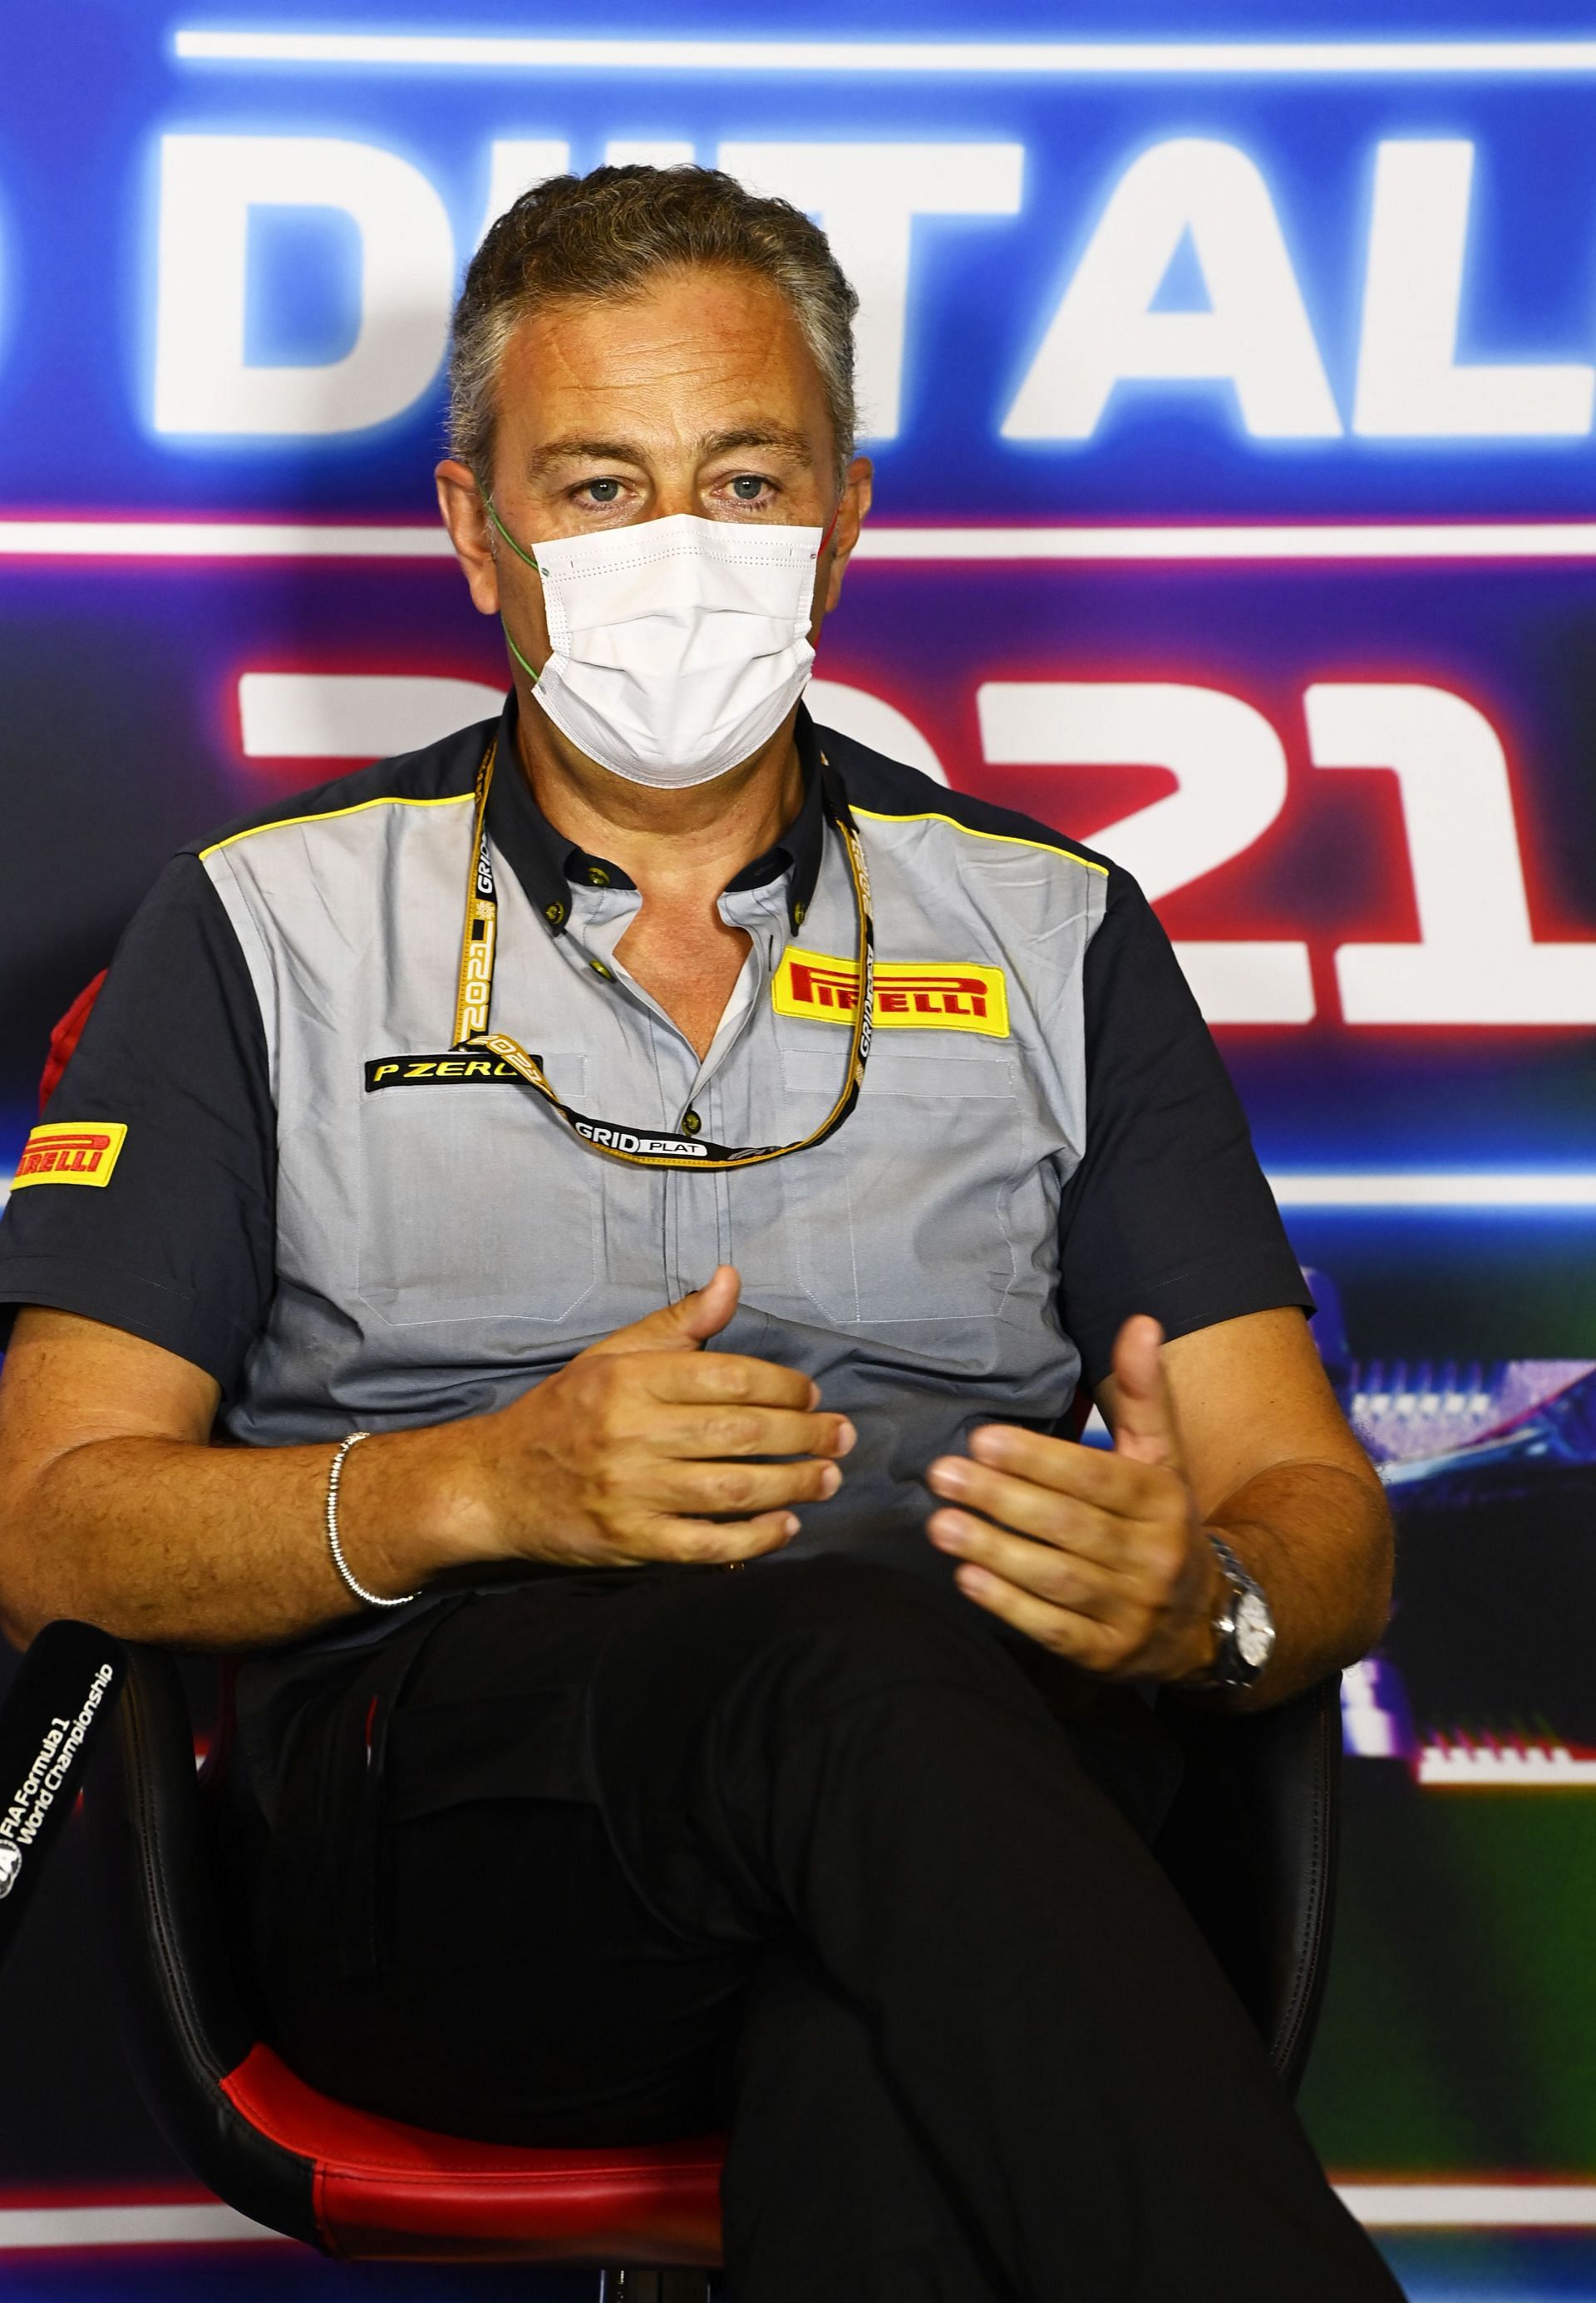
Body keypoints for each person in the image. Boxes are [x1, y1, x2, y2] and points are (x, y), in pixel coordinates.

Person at [0, 166, 1400, 2301]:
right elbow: (50, 1521)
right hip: (467, 1860)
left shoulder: (1052, 927)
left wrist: (1193, 1602)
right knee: (854, 1688)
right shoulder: (261, 924)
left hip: (971, 1833)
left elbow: (1318, 1514)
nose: (680, 553)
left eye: (743, 479)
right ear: (476, 532)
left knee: (876, 2050)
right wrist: (482, 1480)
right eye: (599, 485)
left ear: (845, 516)